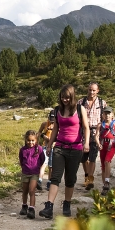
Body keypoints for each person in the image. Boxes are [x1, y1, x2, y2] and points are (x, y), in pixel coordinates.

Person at [39, 84, 90, 220]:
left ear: (72, 97)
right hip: (60, 147)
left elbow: (86, 127)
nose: (65, 100)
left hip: (75, 148)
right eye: (62, 97)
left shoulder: (80, 109)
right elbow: (55, 129)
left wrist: (86, 143)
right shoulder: (57, 110)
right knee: (55, 177)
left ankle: (67, 203)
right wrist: (49, 145)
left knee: (70, 179)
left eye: (67, 97)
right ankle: (49, 206)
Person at [79, 82, 106, 190]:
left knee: (93, 157)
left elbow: (105, 118)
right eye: (90, 89)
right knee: (83, 158)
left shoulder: (102, 103)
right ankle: (87, 176)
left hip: (96, 132)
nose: (91, 92)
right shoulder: (81, 102)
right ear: (87, 89)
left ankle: (90, 180)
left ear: (97, 91)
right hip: (83, 133)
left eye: (94, 90)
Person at [19, 130, 46, 220]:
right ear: (25, 140)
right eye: (29, 140)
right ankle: (24, 206)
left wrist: (38, 168)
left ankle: (32, 209)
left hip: (34, 173)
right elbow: (21, 161)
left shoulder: (39, 149)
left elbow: (42, 160)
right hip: (25, 173)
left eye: (32, 141)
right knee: (25, 190)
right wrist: (24, 168)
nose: (30, 142)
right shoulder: (23, 150)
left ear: (36, 140)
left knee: (32, 191)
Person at [98, 106, 115, 194]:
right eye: (105, 114)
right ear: (103, 115)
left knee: (107, 161)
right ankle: (104, 186)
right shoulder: (100, 125)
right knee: (103, 166)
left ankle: (107, 181)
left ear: (112, 115)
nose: (107, 115)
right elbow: (96, 136)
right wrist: (98, 144)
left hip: (111, 146)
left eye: (109, 113)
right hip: (103, 146)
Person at [37, 109, 55, 190]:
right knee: (43, 163)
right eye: (50, 119)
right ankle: (39, 180)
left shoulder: (58, 125)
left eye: (53, 120)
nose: (51, 122)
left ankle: (49, 181)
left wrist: (51, 139)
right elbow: (39, 132)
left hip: (54, 147)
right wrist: (43, 136)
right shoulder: (44, 124)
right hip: (45, 146)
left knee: (51, 166)